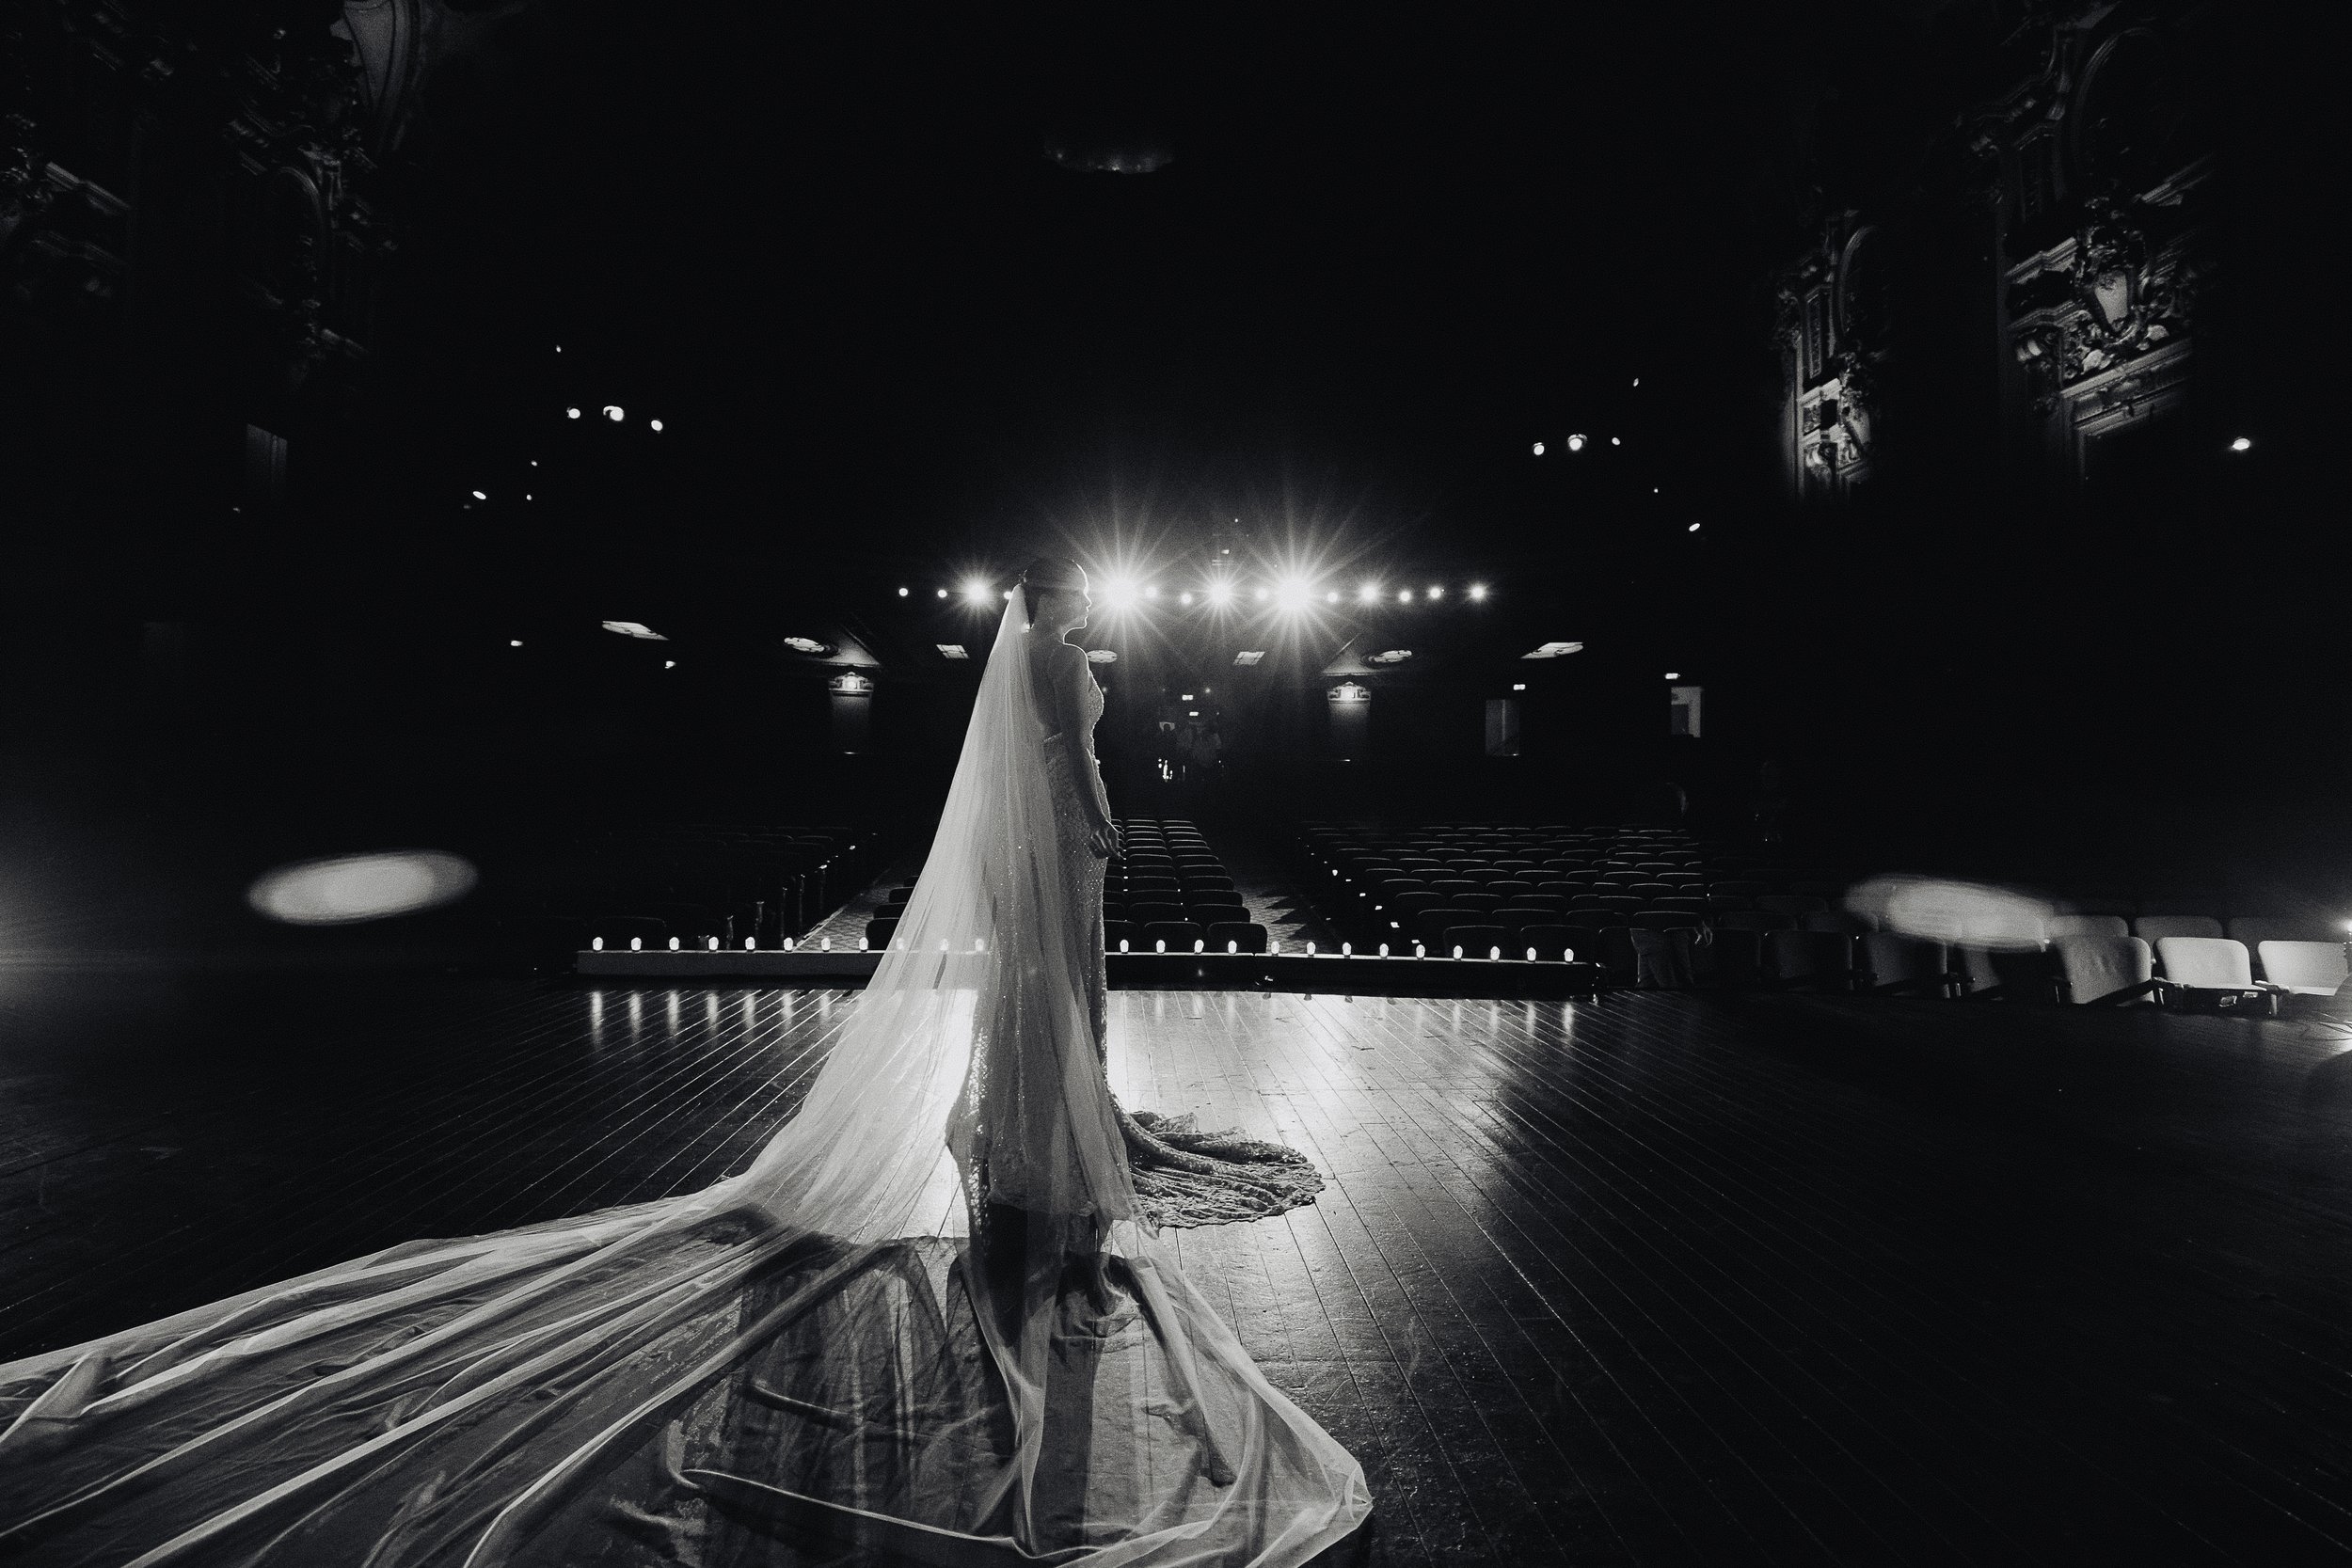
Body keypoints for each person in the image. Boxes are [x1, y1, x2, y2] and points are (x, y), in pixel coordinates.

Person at [0, 557, 1369, 1565]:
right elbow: (1071, 768)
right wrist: (1104, 834)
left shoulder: (1017, 661)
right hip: (1061, 856)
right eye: (1074, 599)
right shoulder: (1065, 668)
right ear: (1060, 603)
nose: (1081, 615)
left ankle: (1023, 1146)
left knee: (1027, 1007)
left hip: (1029, 870)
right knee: (1051, 1005)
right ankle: (1036, 1153)